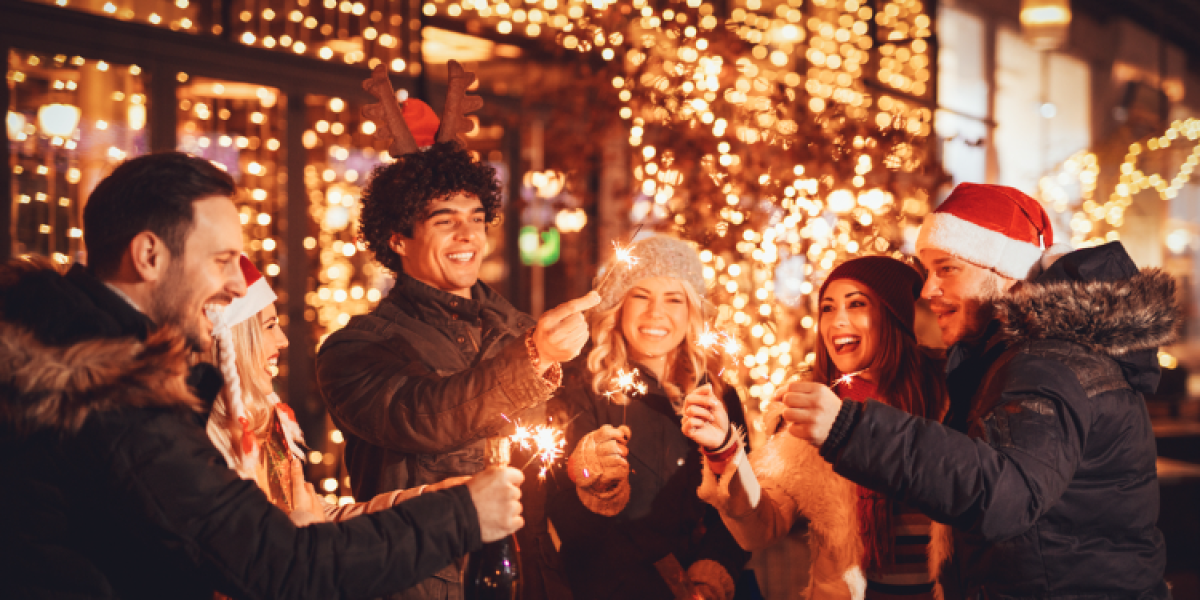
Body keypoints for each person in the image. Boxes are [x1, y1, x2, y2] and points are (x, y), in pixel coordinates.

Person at [0, 152, 525, 600]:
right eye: (223, 260)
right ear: (149, 255)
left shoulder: (68, 356)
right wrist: (463, 514)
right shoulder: (113, 397)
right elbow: (279, 563)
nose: (236, 286)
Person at [780, 183, 1175, 598]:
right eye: (927, 270)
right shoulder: (1020, 356)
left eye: (946, 268)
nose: (928, 289)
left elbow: (1006, 494)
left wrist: (852, 430)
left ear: (1003, 272)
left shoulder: (1047, 363)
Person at [316, 64, 600, 600]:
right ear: (398, 238)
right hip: (426, 583)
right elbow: (423, 416)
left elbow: (553, 455)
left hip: (530, 577)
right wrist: (534, 356)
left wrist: (594, 468)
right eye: (445, 220)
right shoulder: (355, 349)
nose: (467, 234)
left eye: (476, 216)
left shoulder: (519, 329)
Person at [683, 256, 951, 599]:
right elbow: (760, 527)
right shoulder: (809, 410)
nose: (837, 320)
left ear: (892, 316)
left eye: (856, 304)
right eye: (827, 308)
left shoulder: (950, 398)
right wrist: (724, 450)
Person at [546, 235, 751, 600]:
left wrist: (716, 566)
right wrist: (595, 485)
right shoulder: (581, 390)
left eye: (674, 299)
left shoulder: (718, 396)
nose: (656, 313)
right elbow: (564, 514)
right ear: (618, 306)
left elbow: (741, 500)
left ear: (692, 312)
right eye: (641, 296)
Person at [205, 255, 469, 529]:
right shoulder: (202, 450)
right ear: (231, 339)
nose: (283, 340)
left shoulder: (264, 429)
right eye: (269, 326)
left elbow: (321, 518)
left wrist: (433, 499)